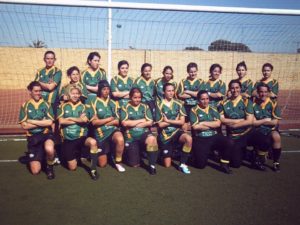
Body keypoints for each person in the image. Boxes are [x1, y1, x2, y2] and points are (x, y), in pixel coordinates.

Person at [19, 81, 56, 179]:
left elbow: (49, 122)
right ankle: (42, 155)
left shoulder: (47, 104)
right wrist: (41, 122)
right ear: (30, 91)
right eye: (36, 91)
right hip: (33, 138)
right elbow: (24, 126)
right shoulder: (25, 105)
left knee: (49, 148)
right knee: (35, 171)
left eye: (40, 91)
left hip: (46, 134)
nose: (38, 93)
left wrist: (31, 121)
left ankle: (49, 168)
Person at [57, 84, 97, 175]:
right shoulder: (62, 106)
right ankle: (74, 154)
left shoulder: (84, 107)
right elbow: (61, 121)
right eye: (73, 93)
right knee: (72, 168)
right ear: (68, 94)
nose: (75, 95)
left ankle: (93, 169)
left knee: (93, 142)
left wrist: (69, 118)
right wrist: (78, 120)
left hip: (80, 137)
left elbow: (84, 120)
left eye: (77, 93)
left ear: (80, 95)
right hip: (68, 139)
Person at [89, 80, 126, 177]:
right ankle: (107, 153)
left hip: (112, 130)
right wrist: (110, 119)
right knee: (102, 164)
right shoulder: (93, 102)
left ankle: (118, 162)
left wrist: (104, 121)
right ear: (100, 90)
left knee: (120, 139)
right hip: (101, 134)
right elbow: (94, 123)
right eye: (104, 89)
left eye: (108, 89)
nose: (106, 91)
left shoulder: (113, 103)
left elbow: (118, 121)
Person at [190, 90, 232, 174]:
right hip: (201, 138)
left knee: (229, 142)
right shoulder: (193, 110)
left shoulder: (213, 108)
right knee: (200, 166)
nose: (205, 101)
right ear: (198, 100)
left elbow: (218, 123)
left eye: (207, 99)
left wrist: (203, 123)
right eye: (202, 99)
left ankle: (224, 163)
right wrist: (211, 124)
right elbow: (195, 127)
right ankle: (194, 154)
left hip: (214, 136)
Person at [120, 88, 159, 175]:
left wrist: (134, 124)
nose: (137, 99)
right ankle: (131, 153)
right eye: (135, 97)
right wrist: (141, 120)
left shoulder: (145, 106)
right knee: (134, 164)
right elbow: (124, 123)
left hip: (143, 133)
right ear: (130, 97)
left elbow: (150, 121)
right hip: (131, 136)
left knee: (152, 139)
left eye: (139, 97)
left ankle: (152, 165)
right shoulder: (125, 107)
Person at [156, 83, 192, 174]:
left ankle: (182, 163)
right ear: (164, 92)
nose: (171, 93)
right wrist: (175, 120)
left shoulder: (179, 103)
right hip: (165, 136)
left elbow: (182, 122)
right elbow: (160, 125)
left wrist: (168, 121)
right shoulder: (159, 104)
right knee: (167, 165)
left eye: (172, 90)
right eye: (168, 91)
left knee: (188, 139)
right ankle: (162, 153)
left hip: (176, 132)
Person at [219, 79, 254, 168]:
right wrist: (239, 120)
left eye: (237, 88)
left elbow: (250, 121)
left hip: (246, 134)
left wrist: (235, 125)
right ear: (229, 89)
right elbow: (221, 119)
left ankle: (255, 155)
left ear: (240, 88)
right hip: (233, 135)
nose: (235, 90)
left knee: (263, 138)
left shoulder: (246, 102)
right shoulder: (224, 103)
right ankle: (244, 152)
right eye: (232, 88)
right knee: (235, 164)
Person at [252, 83, 282, 172]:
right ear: (257, 92)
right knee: (262, 138)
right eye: (261, 92)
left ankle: (276, 162)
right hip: (257, 130)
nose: (263, 94)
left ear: (269, 92)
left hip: (270, 129)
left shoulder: (273, 104)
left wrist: (261, 122)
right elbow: (254, 123)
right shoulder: (253, 104)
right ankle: (258, 156)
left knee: (276, 136)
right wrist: (266, 120)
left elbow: (275, 122)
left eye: (265, 92)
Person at [34, 50, 62, 116]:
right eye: (47, 58)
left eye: (52, 59)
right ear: (44, 59)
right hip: (41, 99)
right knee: (41, 118)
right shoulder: (39, 71)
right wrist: (46, 84)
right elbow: (35, 86)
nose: (49, 60)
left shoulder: (57, 71)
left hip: (52, 101)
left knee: (53, 121)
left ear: (55, 60)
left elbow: (50, 87)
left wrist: (39, 82)